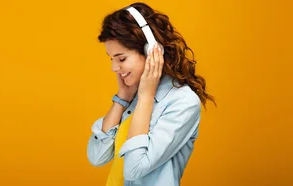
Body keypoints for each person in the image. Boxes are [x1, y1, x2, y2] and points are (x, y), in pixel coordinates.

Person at [86, 2, 216, 186]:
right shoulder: (133, 95)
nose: (114, 68)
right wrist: (122, 98)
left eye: (121, 58)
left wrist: (146, 97)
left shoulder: (183, 103)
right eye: (112, 59)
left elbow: (134, 169)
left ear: (152, 51)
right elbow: (97, 156)